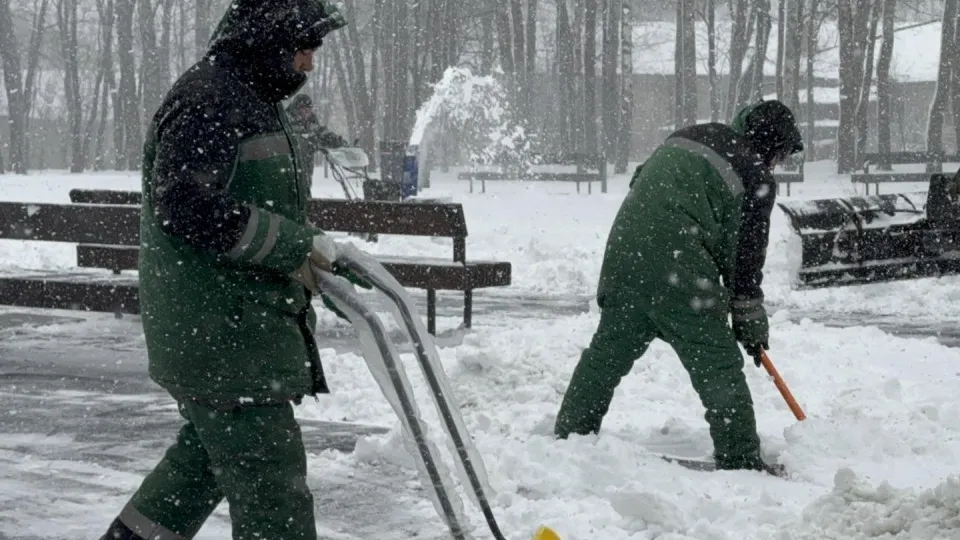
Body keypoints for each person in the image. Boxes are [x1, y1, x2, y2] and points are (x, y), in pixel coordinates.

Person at [96, 1, 358, 539]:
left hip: (236, 330)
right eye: (303, 49)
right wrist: (291, 246)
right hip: (223, 336)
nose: (309, 64)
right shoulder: (208, 101)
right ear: (267, 42)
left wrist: (310, 257)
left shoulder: (256, 98)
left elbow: (251, 199)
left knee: (196, 469)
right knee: (273, 492)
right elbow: (185, 206)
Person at [553, 99, 804, 476]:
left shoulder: (690, 135)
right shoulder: (755, 176)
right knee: (717, 363)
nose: (777, 166)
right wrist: (750, 325)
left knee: (608, 351)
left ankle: (570, 433)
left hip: (625, 254)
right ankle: (740, 459)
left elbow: (643, 183)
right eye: (781, 156)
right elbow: (745, 264)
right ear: (772, 147)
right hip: (681, 268)